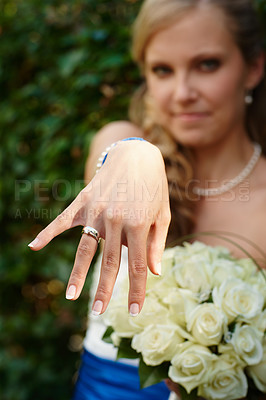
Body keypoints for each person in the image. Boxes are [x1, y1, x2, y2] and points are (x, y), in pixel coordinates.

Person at [28, 0, 266, 398]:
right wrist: (135, 152)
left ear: (253, 68)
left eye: (207, 64)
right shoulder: (125, 152)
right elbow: (112, 150)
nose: (183, 92)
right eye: (162, 70)